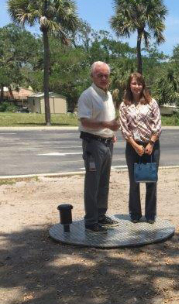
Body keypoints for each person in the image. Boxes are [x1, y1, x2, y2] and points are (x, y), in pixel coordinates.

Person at [77, 61, 120, 233]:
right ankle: (91, 221)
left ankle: (101, 215)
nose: (103, 78)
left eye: (106, 75)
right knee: (93, 183)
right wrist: (106, 125)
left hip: (107, 142)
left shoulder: (107, 94)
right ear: (92, 76)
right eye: (99, 75)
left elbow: (107, 117)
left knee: (103, 182)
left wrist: (110, 133)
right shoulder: (87, 95)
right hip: (93, 144)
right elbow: (84, 121)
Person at [119, 72, 161, 224]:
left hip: (151, 146)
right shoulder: (124, 105)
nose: (136, 87)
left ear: (143, 85)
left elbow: (157, 124)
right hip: (133, 146)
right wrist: (135, 145)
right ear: (129, 85)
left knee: (151, 181)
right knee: (134, 182)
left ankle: (150, 215)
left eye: (139, 83)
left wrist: (151, 143)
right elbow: (124, 128)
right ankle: (135, 214)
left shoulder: (151, 103)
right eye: (133, 83)